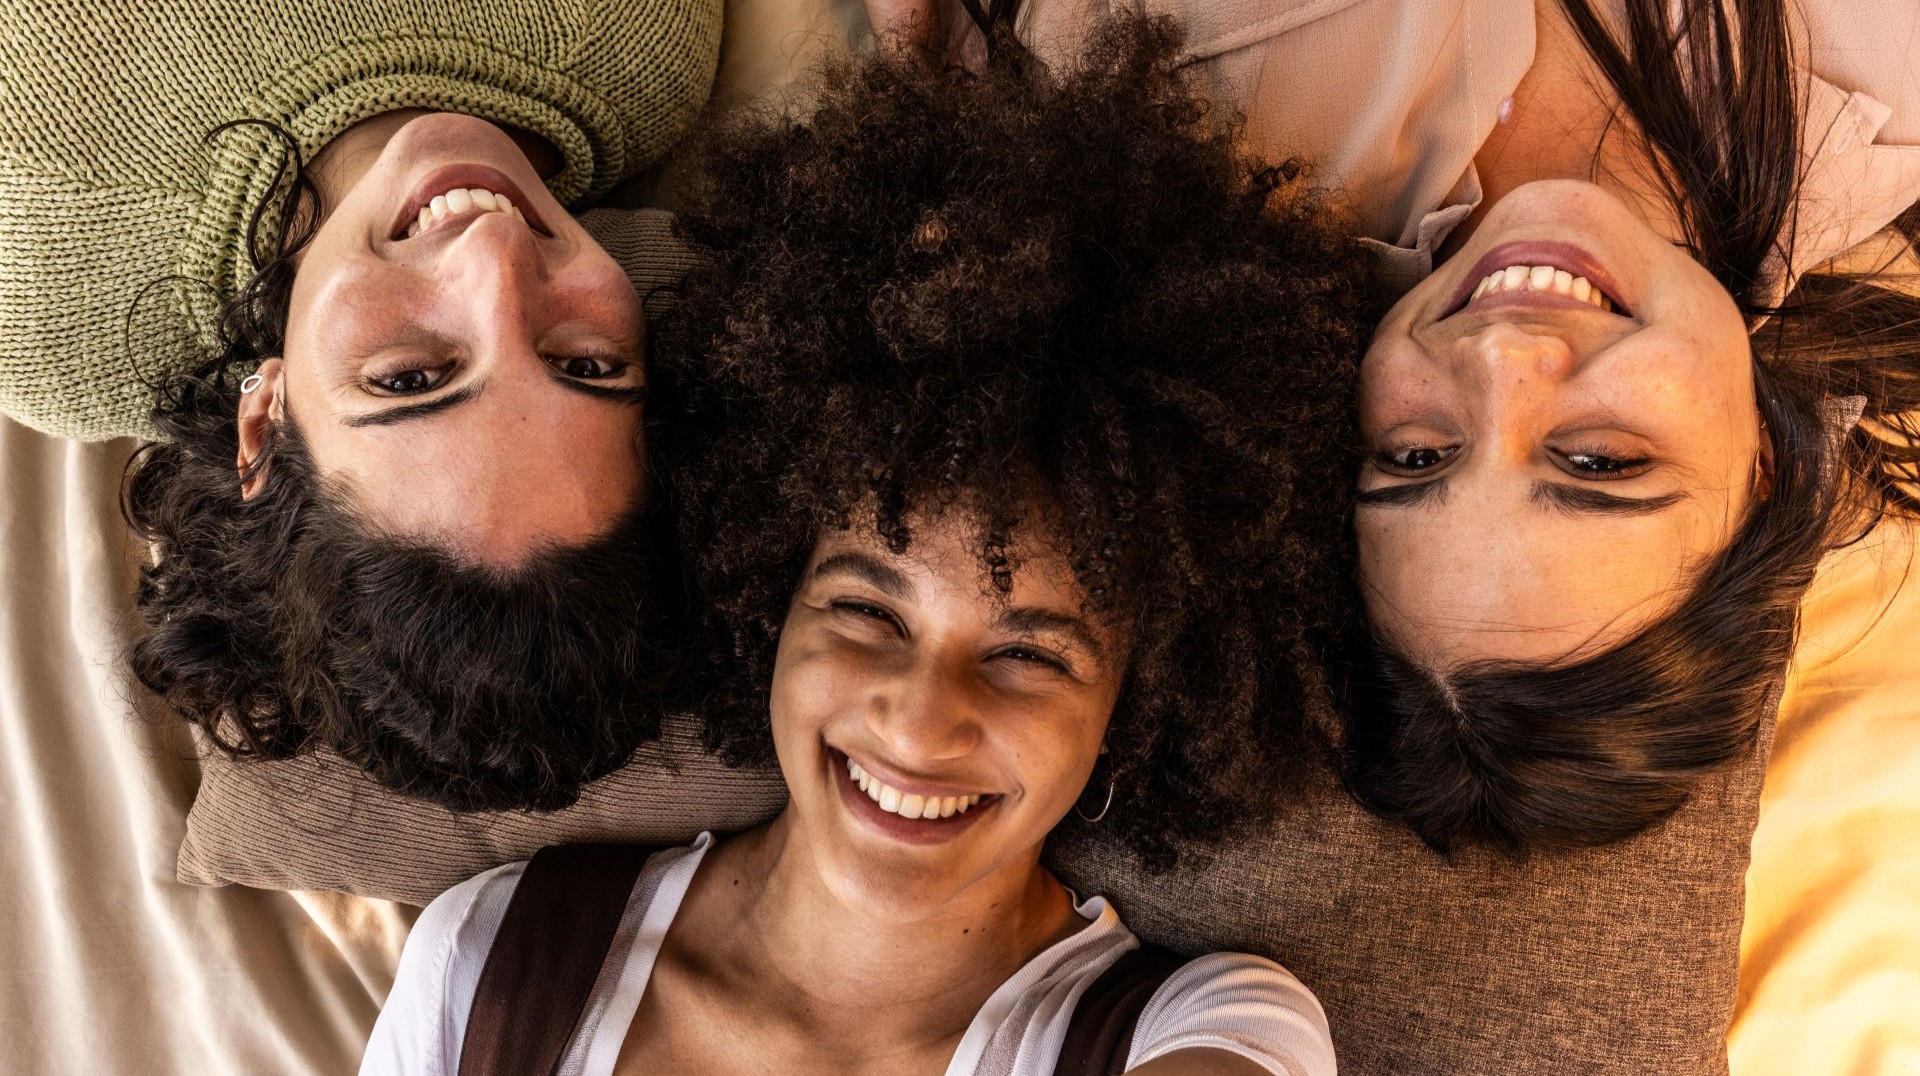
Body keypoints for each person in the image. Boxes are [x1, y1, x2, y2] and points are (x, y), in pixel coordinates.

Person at [360, 17, 1369, 1074]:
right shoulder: (490, 957)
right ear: (770, 604)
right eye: (870, 609)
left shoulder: (1214, 1027)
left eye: (1031, 652)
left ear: (1134, 704)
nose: (922, 719)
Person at [866, 0, 1920, 851]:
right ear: (1769, 470)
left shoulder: (1184, 115)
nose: (1504, 360)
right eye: (1599, 459)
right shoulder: (1892, 83)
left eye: (1418, 456)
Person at [0, 0, 722, 808]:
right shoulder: (633, 44)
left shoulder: (37, 286)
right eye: (587, 364)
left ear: (263, 424)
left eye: (410, 378)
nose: (495, 258)